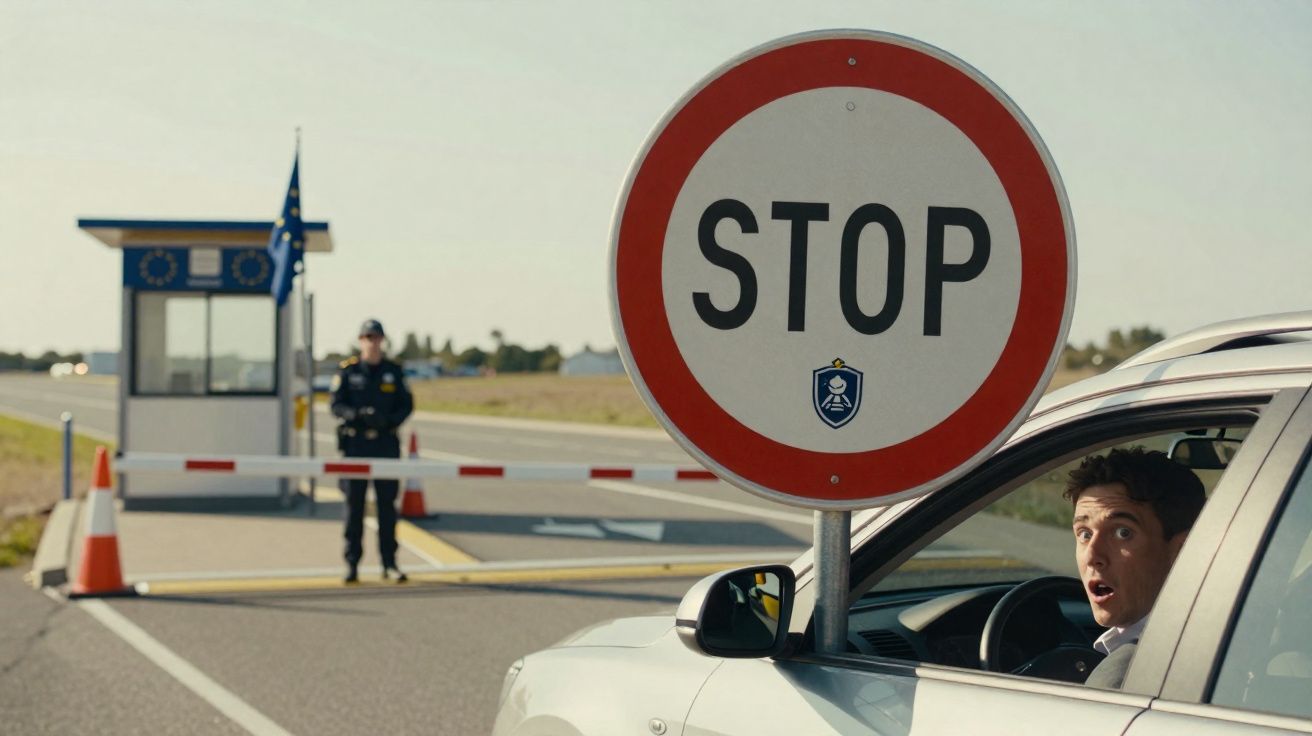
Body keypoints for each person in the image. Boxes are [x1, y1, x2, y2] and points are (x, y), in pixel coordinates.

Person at [1065, 447, 1207, 688]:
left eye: (1122, 533)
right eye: (1085, 533)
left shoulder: (1129, 679)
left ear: (1183, 550)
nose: (1092, 556)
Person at [331, 319, 414, 583]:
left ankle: (389, 563)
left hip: (384, 444)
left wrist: (387, 421)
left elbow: (407, 404)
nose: (372, 342)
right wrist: (356, 415)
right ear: (360, 341)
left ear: (382, 340)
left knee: (386, 507)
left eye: (376, 337)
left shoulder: (394, 371)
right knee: (354, 507)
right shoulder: (348, 371)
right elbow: (335, 404)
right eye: (367, 337)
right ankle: (352, 563)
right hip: (356, 445)